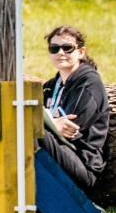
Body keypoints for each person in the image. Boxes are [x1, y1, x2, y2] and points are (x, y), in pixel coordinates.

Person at [39, 25, 110, 191]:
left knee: (32, 129)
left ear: (81, 52)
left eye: (67, 48)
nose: (60, 53)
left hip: (83, 164)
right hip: (60, 153)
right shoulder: (50, 86)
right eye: (54, 48)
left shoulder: (89, 82)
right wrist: (55, 124)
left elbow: (71, 128)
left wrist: (51, 124)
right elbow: (56, 125)